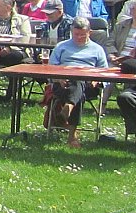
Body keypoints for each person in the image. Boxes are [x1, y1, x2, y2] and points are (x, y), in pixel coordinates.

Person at [46, 17, 110, 147]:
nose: (79, 37)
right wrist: (58, 78)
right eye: (76, 34)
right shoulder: (61, 47)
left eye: (83, 34)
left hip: (89, 84)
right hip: (63, 83)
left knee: (79, 83)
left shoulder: (97, 49)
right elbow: (50, 69)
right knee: (77, 90)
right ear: (71, 31)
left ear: (89, 32)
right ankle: (72, 136)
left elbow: (105, 73)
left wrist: (97, 81)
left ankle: (68, 107)